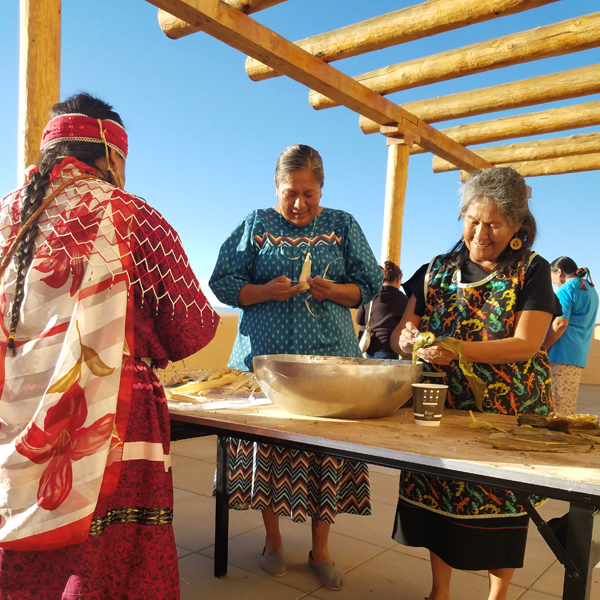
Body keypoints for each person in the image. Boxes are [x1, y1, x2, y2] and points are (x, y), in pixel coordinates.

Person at [0, 93, 218, 599]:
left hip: (11, 410)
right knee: (104, 566)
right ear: (113, 157)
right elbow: (193, 327)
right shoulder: (130, 214)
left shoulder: (5, 217)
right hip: (107, 420)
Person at [209, 144, 382, 590]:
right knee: (268, 449)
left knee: (323, 452)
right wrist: (264, 291)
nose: (300, 203)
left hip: (329, 362)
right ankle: (272, 541)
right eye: (291, 193)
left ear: (322, 188)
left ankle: (320, 548)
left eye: (309, 193)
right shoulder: (256, 225)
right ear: (276, 186)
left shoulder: (342, 225)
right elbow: (223, 281)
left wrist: (335, 291)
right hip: (264, 360)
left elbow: (369, 285)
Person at [390, 167, 560, 600]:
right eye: (472, 219)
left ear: (517, 226)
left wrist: (458, 348)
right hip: (440, 411)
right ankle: (440, 593)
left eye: (495, 224)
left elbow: (526, 344)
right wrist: (407, 339)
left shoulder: (531, 271)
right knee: (438, 503)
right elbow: (398, 334)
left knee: (501, 509)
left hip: (504, 416)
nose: (481, 233)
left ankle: (496, 597)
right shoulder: (436, 271)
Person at [544, 257, 598, 415]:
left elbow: (560, 323)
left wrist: (543, 349)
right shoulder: (590, 289)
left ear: (559, 272)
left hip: (560, 353)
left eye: (552, 278)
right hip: (577, 354)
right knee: (566, 405)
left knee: (557, 409)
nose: (554, 282)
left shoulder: (567, 288)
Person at [356, 260, 408, 359]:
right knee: (385, 374)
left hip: (370, 346)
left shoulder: (370, 296)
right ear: (399, 278)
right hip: (389, 348)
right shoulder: (402, 299)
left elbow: (358, 320)